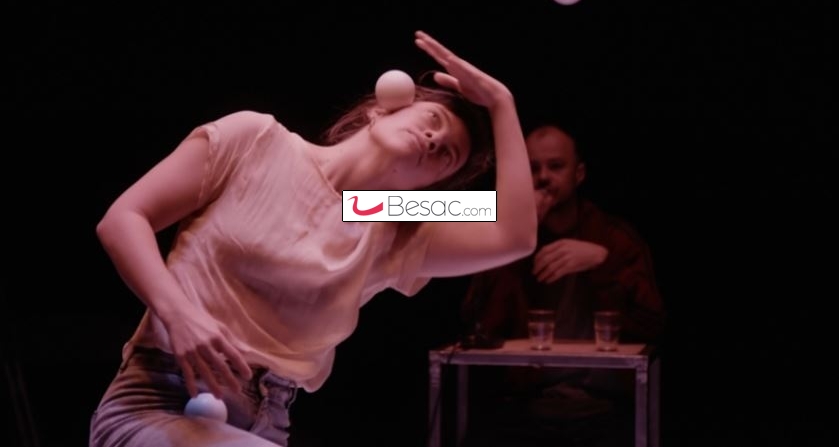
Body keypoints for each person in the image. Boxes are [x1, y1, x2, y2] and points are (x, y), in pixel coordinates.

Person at [89, 30, 537, 447]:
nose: (435, 139)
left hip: (267, 421)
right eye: (433, 119)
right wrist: (179, 314)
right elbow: (124, 219)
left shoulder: (390, 221)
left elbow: (514, 234)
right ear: (381, 109)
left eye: (448, 155)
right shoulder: (258, 139)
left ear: (427, 190)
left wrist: (502, 103)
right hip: (160, 400)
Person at [460, 123, 666, 447]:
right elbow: (477, 325)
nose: (543, 177)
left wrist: (602, 262)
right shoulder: (503, 241)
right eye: (533, 168)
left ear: (579, 174)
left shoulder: (612, 237)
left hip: (602, 406)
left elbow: (653, 325)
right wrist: (517, 237)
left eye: (556, 166)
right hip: (525, 406)